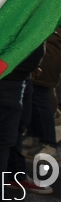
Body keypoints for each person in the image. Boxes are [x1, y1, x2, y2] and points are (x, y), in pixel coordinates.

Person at [0, 43, 52, 197]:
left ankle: (15, 176)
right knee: (0, 140)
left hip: (23, 72)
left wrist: (33, 63)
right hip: (5, 75)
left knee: (18, 128)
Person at [22, 26, 61, 161]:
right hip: (41, 49)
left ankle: (49, 144)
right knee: (32, 96)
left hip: (48, 53)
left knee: (40, 97)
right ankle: (35, 136)